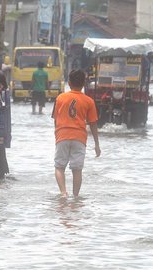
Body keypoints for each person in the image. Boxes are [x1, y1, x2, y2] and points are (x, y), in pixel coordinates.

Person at [52, 69, 101, 198]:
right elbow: (93, 123)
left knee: (59, 167)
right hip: (79, 137)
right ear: (84, 84)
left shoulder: (60, 98)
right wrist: (96, 143)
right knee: (77, 169)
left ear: (69, 83)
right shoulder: (89, 101)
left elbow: (55, 119)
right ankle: (76, 197)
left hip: (62, 135)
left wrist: (57, 134)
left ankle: (63, 193)